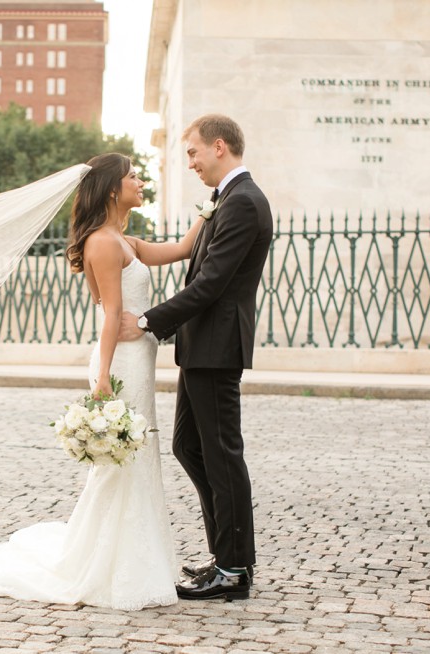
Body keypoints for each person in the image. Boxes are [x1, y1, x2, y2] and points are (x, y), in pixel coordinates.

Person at [0, 153, 205, 609]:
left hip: (137, 357)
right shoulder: (103, 243)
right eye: (133, 176)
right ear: (113, 189)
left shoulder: (124, 238)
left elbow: (182, 250)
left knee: (137, 457)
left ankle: (138, 557)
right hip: (121, 363)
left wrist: (209, 210)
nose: (139, 181)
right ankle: (112, 564)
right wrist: (102, 384)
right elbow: (112, 313)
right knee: (121, 462)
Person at [120, 114, 274, 601]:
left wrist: (146, 321)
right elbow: (195, 262)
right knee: (190, 446)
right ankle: (225, 555)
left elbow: (211, 284)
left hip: (216, 347)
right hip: (201, 347)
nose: (189, 163)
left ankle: (233, 569)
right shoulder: (226, 199)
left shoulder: (245, 202)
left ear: (219, 146)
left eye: (192, 153)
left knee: (222, 454)